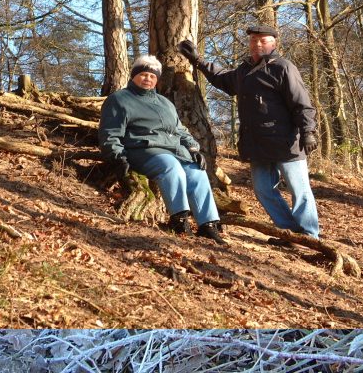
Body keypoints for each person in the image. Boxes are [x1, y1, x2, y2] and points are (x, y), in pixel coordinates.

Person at [178, 25, 320, 243]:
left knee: (299, 191)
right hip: (256, 144)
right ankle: (290, 233)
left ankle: (310, 236)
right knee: (263, 190)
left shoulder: (283, 67)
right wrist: (198, 61)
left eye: (263, 40)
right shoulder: (244, 71)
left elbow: (301, 103)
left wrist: (308, 131)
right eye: (254, 40)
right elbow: (222, 79)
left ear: (274, 43)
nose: (258, 44)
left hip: (286, 142)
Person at [98, 55, 226, 245]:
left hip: (175, 150)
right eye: (143, 74)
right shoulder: (119, 99)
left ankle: (208, 225)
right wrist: (118, 157)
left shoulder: (165, 103)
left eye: (152, 76)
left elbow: (180, 130)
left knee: (197, 173)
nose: (148, 78)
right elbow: (110, 133)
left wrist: (193, 149)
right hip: (143, 149)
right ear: (134, 75)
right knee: (171, 166)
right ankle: (179, 220)